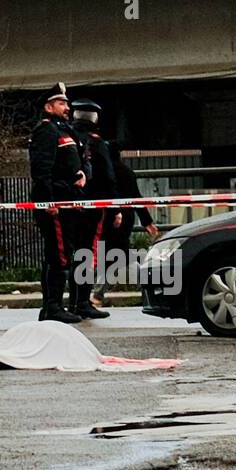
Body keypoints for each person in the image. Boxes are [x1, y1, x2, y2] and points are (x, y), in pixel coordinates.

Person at [28, 82, 87, 324]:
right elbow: (41, 169)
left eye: (66, 103)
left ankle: (54, 305)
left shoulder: (64, 130)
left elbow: (73, 161)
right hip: (56, 202)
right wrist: (47, 201)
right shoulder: (46, 131)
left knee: (62, 252)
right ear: (48, 106)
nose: (67, 106)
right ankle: (53, 306)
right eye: (61, 103)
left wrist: (81, 174)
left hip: (69, 197)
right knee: (58, 255)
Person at [93, 142, 160, 302]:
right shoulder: (127, 172)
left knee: (115, 256)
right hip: (127, 218)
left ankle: (98, 293)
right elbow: (137, 197)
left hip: (110, 218)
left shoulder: (105, 173)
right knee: (119, 255)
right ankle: (151, 286)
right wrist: (147, 222)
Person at [69, 100, 113, 319]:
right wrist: (114, 208)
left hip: (70, 204)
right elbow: (107, 176)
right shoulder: (97, 143)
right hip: (93, 205)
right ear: (94, 118)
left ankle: (72, 302)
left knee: (73, 253)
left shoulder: (67, 137)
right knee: (87, 253)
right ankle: (83, 302)